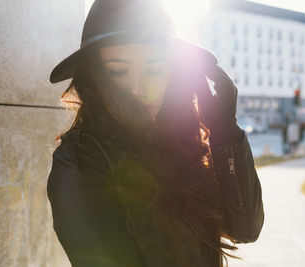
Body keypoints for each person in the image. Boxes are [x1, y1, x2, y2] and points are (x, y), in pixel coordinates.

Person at [47, 0, 264, 266]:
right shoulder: (80, 160)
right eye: (119, 70)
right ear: (94, 77)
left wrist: (225, 132)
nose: (137, 87)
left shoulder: (181, 145)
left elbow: (246, 229)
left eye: (154, 69)